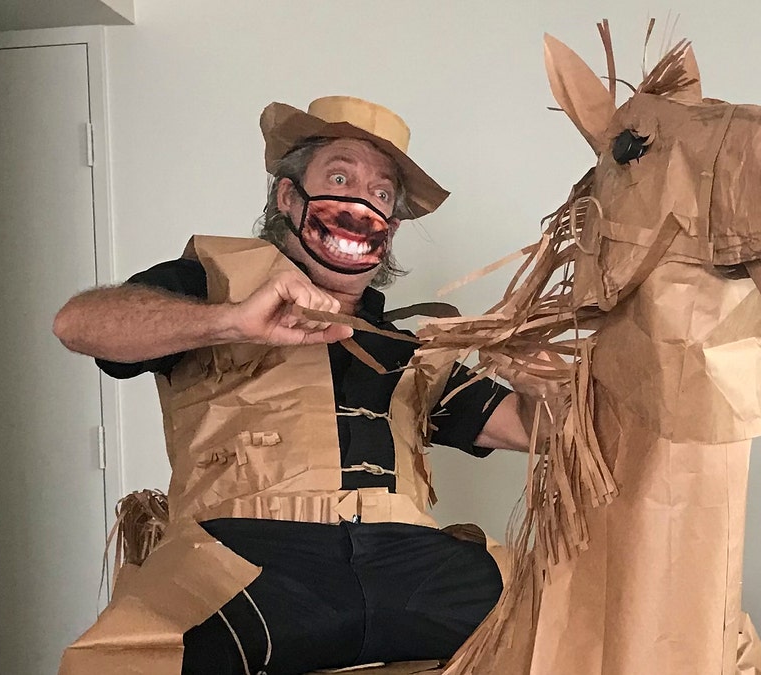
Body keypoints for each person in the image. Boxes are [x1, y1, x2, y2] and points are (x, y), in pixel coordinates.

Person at [53, 96, 534, 675]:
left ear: (394, 226)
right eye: (339, 177)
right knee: (128, 660)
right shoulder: (212, 283)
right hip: (248, 558)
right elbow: (80, 324)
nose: (362, 204)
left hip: (408, 562)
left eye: (381, 194)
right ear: (288, 196)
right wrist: (230, 320)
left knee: (565, 617)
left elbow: (540, 428)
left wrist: (549, 377)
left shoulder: (412, 349)